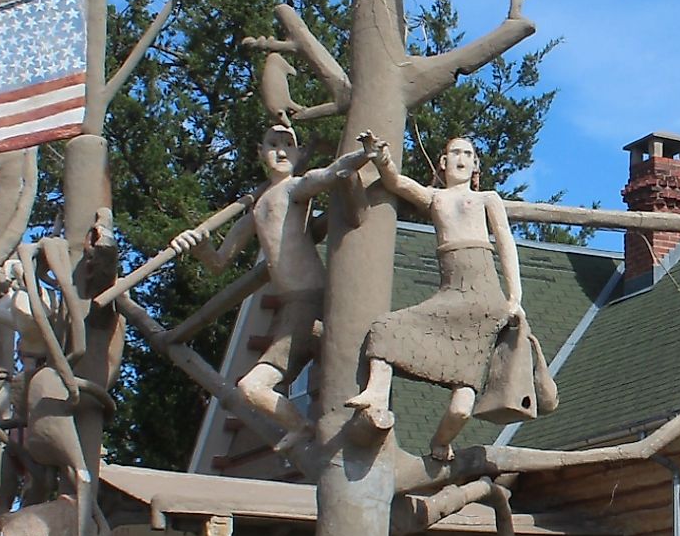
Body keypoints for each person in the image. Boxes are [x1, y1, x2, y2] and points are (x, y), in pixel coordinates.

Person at [348, 132, 557, 457]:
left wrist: (515, 296)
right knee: (387, 326)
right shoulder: (435, 198)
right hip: (448, 297)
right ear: (443, 163)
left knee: (461, 407)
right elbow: (397, 182)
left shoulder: (487, 198)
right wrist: (380, 156)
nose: (460, 158)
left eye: (467, 153)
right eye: (454, 153)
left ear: (475, 164)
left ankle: (441, 443)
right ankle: (376, 392)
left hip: (485, 303)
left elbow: (505, 243)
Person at [171, 120, 365, 435]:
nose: (280, 151)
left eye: (287, 145)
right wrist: (197, 246)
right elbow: (218, 261)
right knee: (307, 369)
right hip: (291, 306)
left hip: (309, 297)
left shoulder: (293, 188)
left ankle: (303, 430)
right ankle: (304, 429)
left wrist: (361, 155)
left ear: (299, 152)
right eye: (273, 145)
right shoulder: (257, 210)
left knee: (253, 387)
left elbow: (327, 175)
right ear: (260, 153)